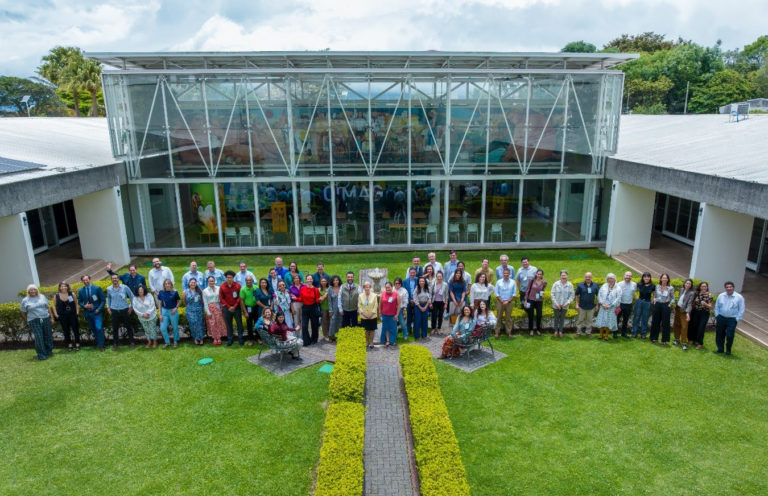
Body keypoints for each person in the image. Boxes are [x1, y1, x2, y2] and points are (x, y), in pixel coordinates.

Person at [20, 284, 54, 360]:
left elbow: (48, 307)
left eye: (34, 289)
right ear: (28, 291)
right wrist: (27, 319)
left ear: (37, 290)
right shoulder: (25, 300)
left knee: (48, 335)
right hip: (34, 320)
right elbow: (23, 311)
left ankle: (49, 351)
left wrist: (51, 317)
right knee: (39, 337)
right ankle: (42, 354)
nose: (33, 291)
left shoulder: (42, 297)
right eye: (31, 290)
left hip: (45, 318)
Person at [713, 281, 745, 355]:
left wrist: (737, 319)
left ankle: (728, 350)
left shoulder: (739, 297)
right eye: (727, 287)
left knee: (730, 335)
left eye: (730, 287)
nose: (729, 288)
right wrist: (717, 315)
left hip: (732, 319)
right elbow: (717, 306)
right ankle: (720, 349)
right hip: (721, 318)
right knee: (719, 334)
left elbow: (741, 309)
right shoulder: (721, 296)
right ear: (725, 288)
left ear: (733, 287)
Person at [106, 273, 135, 350]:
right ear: (111, 280)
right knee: (115, 328)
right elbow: (108, 298)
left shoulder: (124, 287)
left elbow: (132, 297)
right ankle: (115, 344)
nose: (114, 279)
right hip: (114, 311)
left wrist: (131, 306)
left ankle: (132, 342)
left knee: (128, 327)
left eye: (116, 278)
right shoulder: (109, 289)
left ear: (118, 279)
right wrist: (108, 307)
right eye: (113, 278)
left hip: (124, 310)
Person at [78, 275, 105, 351]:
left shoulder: (97, 288)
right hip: (88, 313)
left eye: (87, 279)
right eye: (84, 280)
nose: (85, 281)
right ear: (82, 281)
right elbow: (79, 302)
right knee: (93, 329)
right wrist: (84, 305)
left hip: (97, 312)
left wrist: (98, 309)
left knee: (98, 328)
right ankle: (98, 343)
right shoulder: (81, 291)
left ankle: (102, 345)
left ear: (89, 279)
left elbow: (103, 300)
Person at [52, 282, 79, 351]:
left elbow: (76, 304)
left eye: (65, 286)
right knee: (66, 330)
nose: (63, 287)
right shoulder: (56, 296)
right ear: (59, 287)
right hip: (62, 316)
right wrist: (56, 315)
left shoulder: (72, 294)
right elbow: (53, 306)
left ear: (67, 287)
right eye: (62, 286)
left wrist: (77, 312)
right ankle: (69, 344)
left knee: (75, 329)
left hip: (72, 315)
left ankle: (77, 344)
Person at [220, 270, 244, 346]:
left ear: (233, 278)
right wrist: (228, 306)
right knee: (228, 324)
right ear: (226, 278)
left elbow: (240, 296)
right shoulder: (222, 286)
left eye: (230, 277)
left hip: (236, 308)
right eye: (227, 277)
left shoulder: (238, 286)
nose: (229, 279)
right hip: (227, 308)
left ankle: (240, 339)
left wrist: (235, 306)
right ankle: (230, 340)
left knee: (239, 324)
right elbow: (221, 298)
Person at [595, 273, 621, 341]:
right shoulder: (604, 286)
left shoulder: (618, 288)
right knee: (601, 320)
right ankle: (600, 334)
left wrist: (611, 305)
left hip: (611, 307)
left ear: (614, 279)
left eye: (611, 278)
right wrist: (602, 303)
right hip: (603, 306)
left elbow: (618, 298)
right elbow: (599, 295)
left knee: (609, 321)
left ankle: (606, 335)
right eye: (608, 278)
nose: (610, 280)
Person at [650, 273, 674, 345]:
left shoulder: (670, 288)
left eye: (666, 278)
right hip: (657, 305)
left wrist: (670, 304)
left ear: (668, 279)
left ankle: (664, 340)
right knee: (655, 322)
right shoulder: (657, 286)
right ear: (661, 279)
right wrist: (654, 300)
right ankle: (654, 337)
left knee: (665, 323)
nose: (664, 279)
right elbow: (655, 296)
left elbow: (673, 298)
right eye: (663, 278)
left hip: (666, 305)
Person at [689, 281, 713, 350]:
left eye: (705, 286)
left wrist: (705, 304)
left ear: (707, 287)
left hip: (704, 313)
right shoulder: (697, 294)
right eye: (702, 286)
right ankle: (692, 340)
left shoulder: (709, 295)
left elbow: (710, 306)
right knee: (693, 326)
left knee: (701, 328)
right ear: (700, 287)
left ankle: (700, 343)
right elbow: (693, 303)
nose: (704, 288)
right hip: (696, 312)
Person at [203, 276, 227, 346]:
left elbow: (221, 298)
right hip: (210, 309)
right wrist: (208, 312)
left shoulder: (219, 288)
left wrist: (222, 307)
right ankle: (214, 338)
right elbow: (205, 302)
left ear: (214, 281)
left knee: (218, 323)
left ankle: (219, 338)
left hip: (218, 307)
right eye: (210, 281)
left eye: (212, 281)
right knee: (212, 324)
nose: (211, 282)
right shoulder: (205, 291)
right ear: (208, 282)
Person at [550, 270, 574, 338]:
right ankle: (555, 331)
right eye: (562, 275)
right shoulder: (556, 284)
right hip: (556, 305)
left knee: (562, 319)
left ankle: (560, 331)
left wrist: (567, 303)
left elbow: (572, 295)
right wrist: (556, 304)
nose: (563, 277)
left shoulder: (570, 285)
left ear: (567, 276)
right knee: (556, 318)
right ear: (560, 276)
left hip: (565, 305)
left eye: (565, 275)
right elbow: (552, 294)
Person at [158, 279, 181, 348]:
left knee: (175, 327)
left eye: (168, 283)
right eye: (166, 284)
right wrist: (160, 314)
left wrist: (176, 308)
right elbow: (160, 304)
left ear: (171, 284)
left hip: (173, 311)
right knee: (162, 328)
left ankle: (175, 341)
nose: (167, 285)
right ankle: (167, 342)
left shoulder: (175, 292)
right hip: (164, 311)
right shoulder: (161, 292)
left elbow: (178, 301)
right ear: (164, 285)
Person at [299, 274, 321, 346]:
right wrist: (295, 298)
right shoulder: (302, 288)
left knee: (314, 325)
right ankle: (306, 341)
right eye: (308, 279)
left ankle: (314, 339)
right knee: (304, 325)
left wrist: (322, 298)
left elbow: (317, 300)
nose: (309, 280)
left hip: (313, 308)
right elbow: (301, 298)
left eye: (310, 279)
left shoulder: (316, 289)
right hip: (305, 308)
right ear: (306, 280)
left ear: (312, 280)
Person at [494, 268, 517, 338]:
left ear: (509, 274)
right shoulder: (499, 282)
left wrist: (508, 301)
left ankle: (509, 332)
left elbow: (514, 293)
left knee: (508, 318)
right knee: (499, 317)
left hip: (509, 302)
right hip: (500, 302)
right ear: (503, 274)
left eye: (507, 273)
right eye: (504, 273)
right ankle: (497, 332)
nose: (506, 274)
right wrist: (502, 301)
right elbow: (496, 293)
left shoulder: (513, 282)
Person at [524, 269, 547, 336]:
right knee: (530, 315)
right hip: (531, 299)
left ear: (542, 275)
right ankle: (531, 330)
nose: (539, 275)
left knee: (539, 315)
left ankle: (538, 329)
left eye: (540, 274)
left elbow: (542, 290)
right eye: (538, 274)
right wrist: (525, 300)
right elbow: (528, 290)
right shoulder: (531, 281)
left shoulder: (544, 282)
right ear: (536, 274)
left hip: (539, 300)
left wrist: (542, 293)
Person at [673, 278, 694, 351]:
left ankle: (684, 343)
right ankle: (676, 339)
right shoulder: (681, 289)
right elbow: (679, 299)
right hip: (678, 309)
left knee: (684, 327)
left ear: (691, 285)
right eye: (687, 283)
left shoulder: (692, 293)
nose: (688, 285)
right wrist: (675, 307)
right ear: (684, 283)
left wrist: (688, 313)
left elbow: (690, 304)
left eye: (689, 284)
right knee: (676, 324)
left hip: (684, 311)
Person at [632, 272, 655, 339]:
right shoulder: (639, 284)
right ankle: (634, 333)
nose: (646, 278)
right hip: (639, 301)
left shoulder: (653, 286)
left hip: (647, 303)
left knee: (645, 318)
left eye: (648, 277)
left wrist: (652, 300)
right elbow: (633, 291)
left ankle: (643, 334)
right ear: (643, 277)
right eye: (645, 277)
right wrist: (635, 298)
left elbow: (654, 294)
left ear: (650, 278)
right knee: (636, 317)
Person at [574, 272, 597, 337]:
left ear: (591, 277)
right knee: (580, 320)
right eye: (586, 277)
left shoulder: (595, 285)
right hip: (582, 306)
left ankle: (588, 332)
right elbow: (576, 295)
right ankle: (578, 332)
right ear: (584, 277)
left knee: (589, 320)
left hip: (591, 306)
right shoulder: (580, 285)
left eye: (589, 277)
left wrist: (597, 305)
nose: (588, 278)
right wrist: (576, 304)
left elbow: (598, 296)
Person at [184, 278, 206, 345]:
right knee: (193, 324)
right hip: (190, 310)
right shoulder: (185, 292)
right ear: (189, 283)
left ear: (196, 284)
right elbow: (185, 302)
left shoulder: (199, 291)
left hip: (199, 310)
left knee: (200, 324)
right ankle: (195, 338)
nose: (193, 284)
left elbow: (202, 301)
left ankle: (201, 338)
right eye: (191, 282)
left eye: (194, 282)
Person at [358, 281, 379, 349]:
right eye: (365, 287)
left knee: (372, 330)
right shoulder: (360, 296)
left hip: (372, 316)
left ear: (370, 287)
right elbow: (359, 306)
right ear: (363, 288)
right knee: (366, 330)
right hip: (364, 316)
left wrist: (371, 314)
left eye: (368, 287)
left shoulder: (374, 295)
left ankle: (371, 342)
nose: (367, 288)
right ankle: (366, 341)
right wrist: (364, 314)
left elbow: (376, 306)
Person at [240, 276, 259, 346]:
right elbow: (241, 301)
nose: (248, 282)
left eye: (250, 280)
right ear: (245, 281)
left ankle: (258, 338)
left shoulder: (256, 287)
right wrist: (245, 312)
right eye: (247, 280)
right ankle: (250, 339)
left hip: (256, 307)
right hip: (248, 308)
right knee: (249, 324)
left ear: (252, 281)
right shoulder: (243, 289)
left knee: (257, 323)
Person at [616, 271, 637, 338]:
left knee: (626, 320)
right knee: (617, 319)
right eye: (627, 275)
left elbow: (633, 294)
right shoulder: (619, 284)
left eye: (629, 276)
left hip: (628, 304)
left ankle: (624, 333)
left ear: (631, 277)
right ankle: (615, 333)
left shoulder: (634, 284)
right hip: (620, 304)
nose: (628, 277)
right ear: (624, 276)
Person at [380, 281, 400, 347]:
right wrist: (380, 312)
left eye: (389, 287)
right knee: (385, 328)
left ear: (392, 287)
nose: (387, 289)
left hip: (393, 315)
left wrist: (397, 314)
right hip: (384, 314)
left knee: (393, 328)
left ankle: (393, 341)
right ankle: (388, 340)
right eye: (386, 287)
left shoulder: (396, 294)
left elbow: (399, 305)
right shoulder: (383, 294)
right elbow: (380, 304)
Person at [413, 276, 432, 341]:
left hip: (426, 305)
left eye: (423, 281)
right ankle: (417, 336)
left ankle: (424, 335)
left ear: (425, 282)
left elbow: (430, 298)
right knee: (417, 320)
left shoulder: (428, 288)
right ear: (418, 282)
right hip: (418, 305)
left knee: (425, 320)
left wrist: (426, 306)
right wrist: (420, 307)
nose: (421, 282)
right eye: (420, 281)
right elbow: (415, 299)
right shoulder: (416, 289)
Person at [327, 275, 344, 341]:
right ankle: (331, 336)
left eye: (337, 280)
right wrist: (330, 310)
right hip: (333, 309)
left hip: (341, 309)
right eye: (334, 280)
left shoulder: (342, 288)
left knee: (340, 322)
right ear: (332, 281)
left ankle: (339, 336)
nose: (335, 281)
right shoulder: (330, 289)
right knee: (332, 322)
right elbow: (329, 301)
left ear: (339, 281)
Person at [430, 271, 447, 336]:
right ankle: (433, 328)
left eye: (440, 276)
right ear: (436, 277)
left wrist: (446, 303)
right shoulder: (433, 284)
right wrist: (430, 303)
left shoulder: (445, 284)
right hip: (434, 302)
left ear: (442, 277)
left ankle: (439, 328)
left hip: (442, 302)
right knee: (434, 316)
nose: (439, 278)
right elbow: (430, 294)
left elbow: (446, 295)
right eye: (438, 276)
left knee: (440, 316)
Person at [403, 267, 419, 334]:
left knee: (416, 316)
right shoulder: (405, 281)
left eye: (414, 273)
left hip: (416, 301)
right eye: (411, 273)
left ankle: (416, 329)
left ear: (416, 273)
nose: (412, 274)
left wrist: (414, 300)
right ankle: (408, 329)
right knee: (409, 316)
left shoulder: (418, 280)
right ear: (409, 273)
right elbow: (404, 292)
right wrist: (410, 300)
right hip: (408, 301)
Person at [318, 276, 331, 340]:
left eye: (325, 281)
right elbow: (320, 300)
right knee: (324, 322)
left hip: (330, 308)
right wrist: (325, 295)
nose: (323, 282)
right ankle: (325, 335)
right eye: (322, 281)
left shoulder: (330, 289)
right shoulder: (319, 290)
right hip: (323, 308)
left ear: (327, 282)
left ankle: (330, 334)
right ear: (320, 282)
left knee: (330, 321)